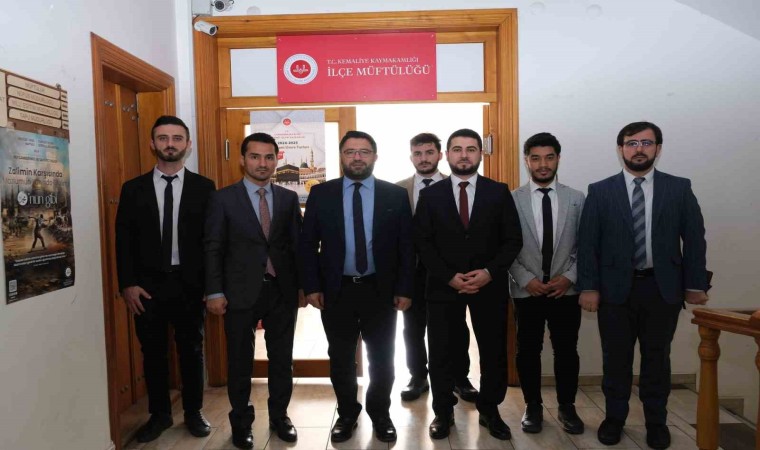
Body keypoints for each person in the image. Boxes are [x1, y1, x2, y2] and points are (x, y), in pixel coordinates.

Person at [577, 121, 709, 449]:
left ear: (658, 149)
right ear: (621, 149)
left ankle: (656, 423)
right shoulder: (600, 191)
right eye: (631, 143)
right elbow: (588, 243)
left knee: (657, 359)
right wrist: (589, 287)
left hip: (662, 289)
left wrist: (695, 283)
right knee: (616, 359)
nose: (639, 149)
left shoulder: (678, 188)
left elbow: (694, 238)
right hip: (614, 291)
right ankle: (614, 419)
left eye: (646, 143)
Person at [299, 130, 414, 443]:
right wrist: (311, 286)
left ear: (375, 156)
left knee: (383, 358)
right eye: (350, 152)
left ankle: (380, 413)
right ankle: (347, 414)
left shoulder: (394, 195)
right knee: (340, 358)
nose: (357, 157)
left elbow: (407, 247)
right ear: (342, 157)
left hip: (380, 290)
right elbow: (307, 245)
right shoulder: (322, 194)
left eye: (364, 151)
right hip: (337, 291)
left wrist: (404, 288)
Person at [415, 128, 522, 440]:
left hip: (489, 286)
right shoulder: (430, 195)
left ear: (480, 154)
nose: (464, 155)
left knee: (493, 350)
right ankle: (443, 412)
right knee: (441, 352)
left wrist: (489, 272)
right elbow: (422, 242)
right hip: (443, 286)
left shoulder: (498, 192)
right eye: (457, 149)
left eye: (471, 149)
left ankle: (490, 410)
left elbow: (513, 240)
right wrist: (449, 276)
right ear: (447, 155)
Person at [115, 115, 215, 443]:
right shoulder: (133, 189)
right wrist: (127, 284)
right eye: (163, 138)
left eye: (176, 138)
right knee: (153, 353)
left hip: (190, 285)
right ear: (152, 143)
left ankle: (193, 412)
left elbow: (212, 242)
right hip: (147, 288)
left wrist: (212, 286)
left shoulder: (205, 188)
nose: (170, 144)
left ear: (188, 144)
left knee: (192, 350)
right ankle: (159, 415)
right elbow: (123, 241)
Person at [204, 132, 303, 449]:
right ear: (242, 159)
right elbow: (213, 247)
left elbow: (297, 247)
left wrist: (302, 288)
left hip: (281, 291)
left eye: (269, 157)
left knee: (281, 359)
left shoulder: (287, 199)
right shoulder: (223, 199)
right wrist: (214, 291)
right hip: (238, 292)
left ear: (277, 160)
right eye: (255, 156)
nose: (262, 163)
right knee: (239, 361)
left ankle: (280, 417)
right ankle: (241, 422)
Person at [508, 132, 585, 435]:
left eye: (549, 157)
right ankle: (533, 406)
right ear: (526, 160)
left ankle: (567, 406)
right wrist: (526, 279)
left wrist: (569, 277)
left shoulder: (576, 199)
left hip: (565, 290)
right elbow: (505, 247)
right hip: (527, 291)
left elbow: (586, 246)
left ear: (558, 159)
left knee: (566, 350)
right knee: (527, 351)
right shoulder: (511, 199)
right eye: (536, 158)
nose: (543, 164)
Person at [396, 133, 478, 402]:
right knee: (412, 328)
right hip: (412, 273)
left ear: (440, 155)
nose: (424, 158)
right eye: (418, 153)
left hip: (448, 273)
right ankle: (418, 376)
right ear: (411, 157)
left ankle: (460, 378)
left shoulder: (456, 185)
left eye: (429, 152)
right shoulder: (398, 190)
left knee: (456, 327)